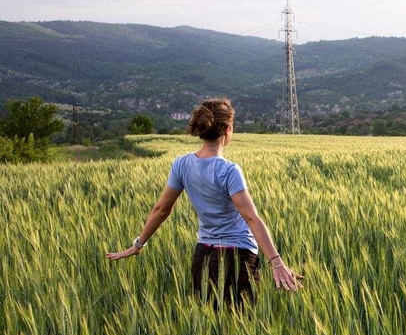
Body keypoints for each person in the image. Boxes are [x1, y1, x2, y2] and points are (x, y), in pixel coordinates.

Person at [106, 97, 303, 308]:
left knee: (210, 319)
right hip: (236, 257)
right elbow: (251, 218)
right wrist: (277, 262)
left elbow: (161, 210)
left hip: (203, 256)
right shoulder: (228, 170)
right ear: (227, 129)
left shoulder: (181, 164)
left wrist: (138, 244)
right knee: (237, 326)